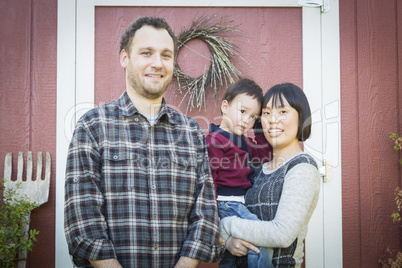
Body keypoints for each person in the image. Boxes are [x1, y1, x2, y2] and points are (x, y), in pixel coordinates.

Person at [64, 16, 224, 268]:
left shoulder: (191, 132)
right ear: (125, 58)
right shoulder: (93, 127)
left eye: (166, 55)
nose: (157, 63)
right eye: (146, 53)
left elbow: (205, 214)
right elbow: (83, 220)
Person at [219, 83, 321, 268]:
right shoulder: (257, 168)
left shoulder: (302, 167)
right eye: (266, 113)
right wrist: (229, 242)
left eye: (282, 112)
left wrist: (225, 226)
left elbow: (282, 234)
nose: (273, 120)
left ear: (301, 117)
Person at [206, 78, 273, 268]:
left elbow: (265, 154)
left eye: (253, 117)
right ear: (225, 107)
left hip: (237, 204)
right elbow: (209, 180)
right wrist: (214, 217)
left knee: (231, 257)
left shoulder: (242, 141)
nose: (247, 120)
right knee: (262, 239)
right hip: (227, 204)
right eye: (242, 112)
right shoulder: (216, 140)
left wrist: (260, 125)